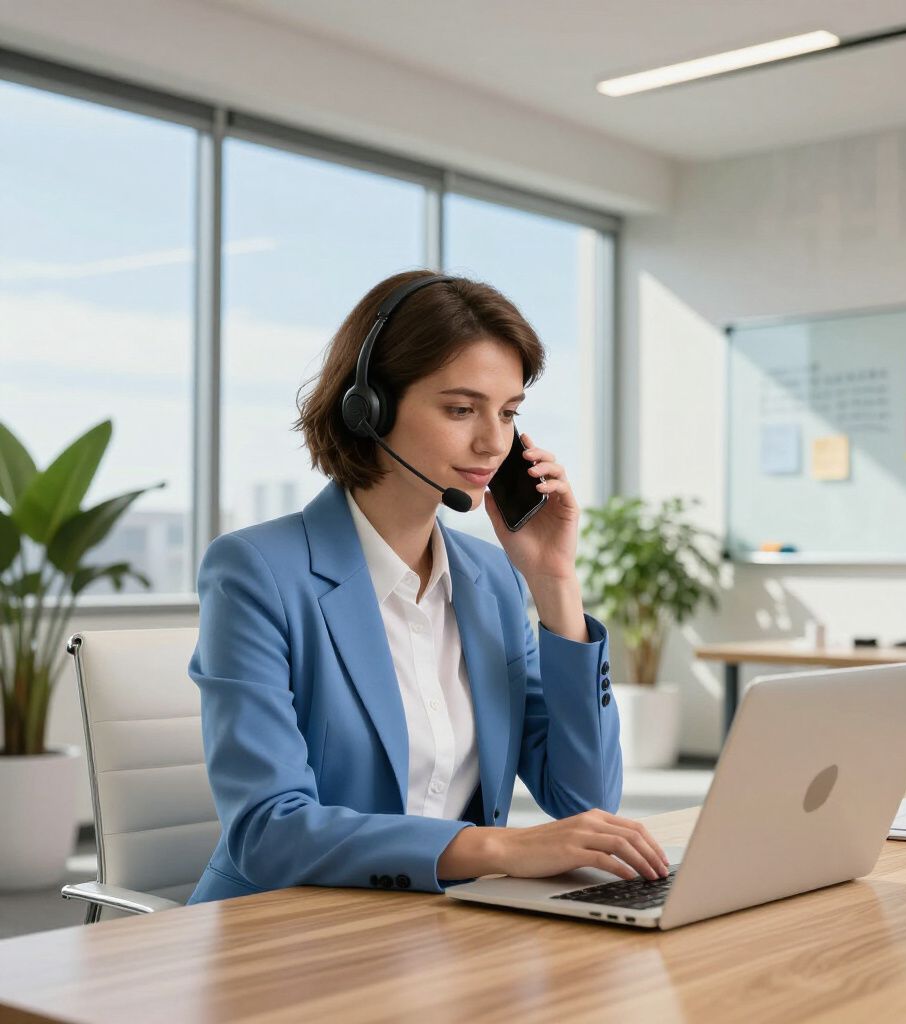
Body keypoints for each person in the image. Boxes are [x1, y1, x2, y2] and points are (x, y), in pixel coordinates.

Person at [187, 270, 669, 904]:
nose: (494, 442)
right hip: (286, 932)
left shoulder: (490, 579)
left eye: (509, 413)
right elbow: (268, 831)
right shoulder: (256, 571)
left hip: (443, 929)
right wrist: (499, 849)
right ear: (369, 408)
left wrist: (555, 582)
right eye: (460, 409)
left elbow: (584, 800)